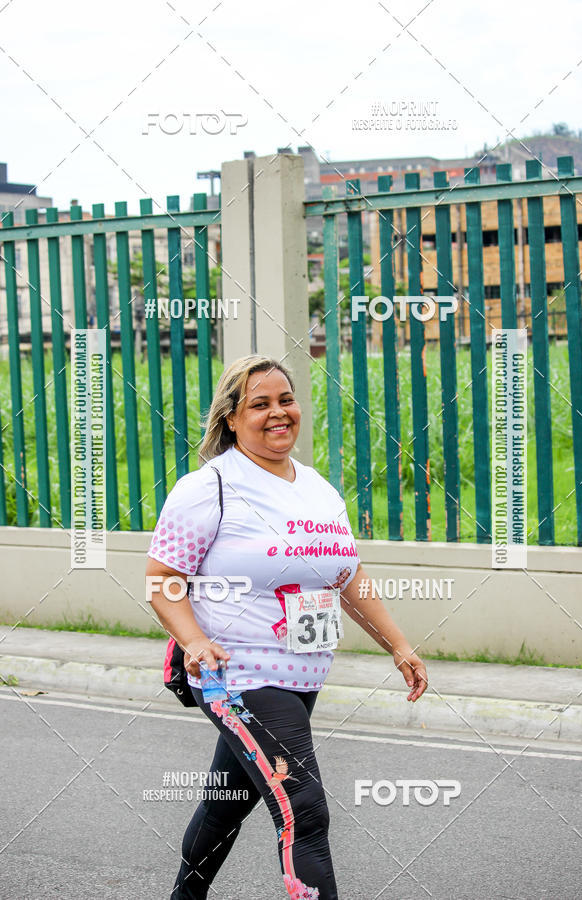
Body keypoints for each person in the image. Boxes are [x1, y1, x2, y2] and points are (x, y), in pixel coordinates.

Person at [146, 354, 428, 900]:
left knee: (225, 803)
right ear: (231, 417)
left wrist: (398, 645)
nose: (279, 413)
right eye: (260, 404)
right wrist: (195, 640)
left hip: (301, 676)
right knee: (304, 808)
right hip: (238, 675)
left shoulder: (318, 488)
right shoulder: (210, 487)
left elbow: (348, 574)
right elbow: (163, 580)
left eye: (286, 400)